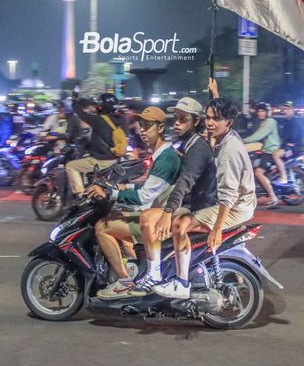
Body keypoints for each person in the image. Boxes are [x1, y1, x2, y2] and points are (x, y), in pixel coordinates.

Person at [153, 86, 256, 300]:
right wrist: (215, 94)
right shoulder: (226, 135)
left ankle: (181, 283)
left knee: (179, 224)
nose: (210, 123)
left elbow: (228, 196)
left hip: (236, 207)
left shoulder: (228, 151)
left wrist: (217, 230)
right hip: (234, 201)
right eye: (208, 117)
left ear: (228, 122)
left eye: (215, 119)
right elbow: (221, 116)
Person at [88, 106, 181, 299]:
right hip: (157, 212)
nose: (142, 130)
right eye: (141, 125)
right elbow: (148, 189)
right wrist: (122, 190)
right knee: (118, 215)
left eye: (148, 126)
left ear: (161, 127)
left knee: (102, 227)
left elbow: (144, 197)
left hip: (158, 220)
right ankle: (134, 267)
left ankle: (123, 281)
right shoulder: (161, 155)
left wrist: (110, 194)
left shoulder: (166, 159)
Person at [67, 93, 123, 198]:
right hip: (116, 158)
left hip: (102, 160)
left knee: (71, 166)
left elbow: (80, 113)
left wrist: (74, 100)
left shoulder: (98, 120)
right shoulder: (118, 120)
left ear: (101, 106)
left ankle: (80, 194)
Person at [242, 102, 284, 209]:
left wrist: (243, 140)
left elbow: (258, 135)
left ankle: (273, 198)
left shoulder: (270, 122)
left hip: (271, 151)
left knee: (258, 173)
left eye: (262, 111)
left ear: (267, 112)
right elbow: (253, 133)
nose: (260, 113)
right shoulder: (263, 122)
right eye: (259, 111)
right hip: (265, 150)